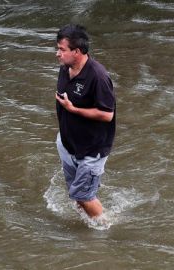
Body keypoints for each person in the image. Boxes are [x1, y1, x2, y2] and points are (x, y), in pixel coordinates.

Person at [54, 24, 116, 219]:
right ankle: (86, 224)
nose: (58, 54)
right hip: (68, 144)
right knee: (76, 193)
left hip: (92, 150)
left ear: (77, 51)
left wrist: (74, 109)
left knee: (84, 195)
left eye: (62, 50)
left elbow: (108, 115)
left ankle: (105, 229)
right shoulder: (65, 69)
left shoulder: (98, 76)